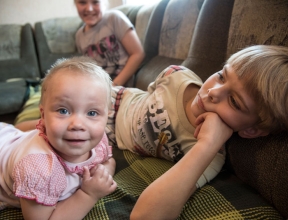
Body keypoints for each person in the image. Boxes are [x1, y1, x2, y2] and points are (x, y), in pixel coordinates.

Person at [15, 45, 288, 219]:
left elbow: (146, 216)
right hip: (104, 103)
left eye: (235, 101)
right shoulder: (177, 76)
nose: (213, 91)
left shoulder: (208, 156)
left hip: (103, 136)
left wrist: (206, 146)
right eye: (221, 75)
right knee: (32, 131)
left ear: (251, 130)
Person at [0, 56, 117, 220]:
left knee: (19, 131)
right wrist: (89, 194)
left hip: (14, 137)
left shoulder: (97, 140)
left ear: (107, 116)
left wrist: (103, 174)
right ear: (43, 115)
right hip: (5, 143)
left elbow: (108, 161)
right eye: (63, 110)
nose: (77, 124)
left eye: (92, 113)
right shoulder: (38, 170)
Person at [74, 0, 145, 86]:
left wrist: (113, 85)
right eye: (82, 2)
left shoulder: (114, 18)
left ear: (104, 3)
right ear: (75, 4)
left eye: (95, 2)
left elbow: (138, 54)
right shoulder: (79, 35)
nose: (89, 9)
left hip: (120, 86)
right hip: (97, 87)